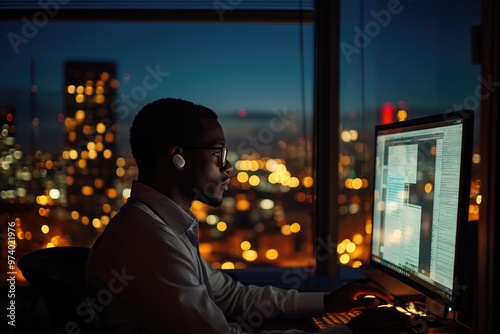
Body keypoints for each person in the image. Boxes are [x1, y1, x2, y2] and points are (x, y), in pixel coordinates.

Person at [86, 98, 394, 334]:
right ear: (176, 158)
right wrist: (351, 331)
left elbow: (232, 296)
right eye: (217, 153)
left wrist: (329, 302)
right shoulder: (147, 242)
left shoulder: (160, 227)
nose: (227, 167)